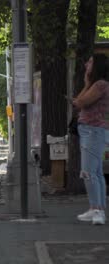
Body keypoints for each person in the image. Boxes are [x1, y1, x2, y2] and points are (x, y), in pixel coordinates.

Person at [73, 53, 109, 225]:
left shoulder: (100, 85)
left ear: (97, 66)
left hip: (93, 131)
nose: (87, 64)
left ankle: (97, 210)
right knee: (96, 173)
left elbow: (80, 102)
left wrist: (87, 84)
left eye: (90, 62)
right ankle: (97, 207)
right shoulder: (98, 84)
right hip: (94, 131)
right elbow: (79, 101)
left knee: (88, 172)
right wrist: (87, 84)